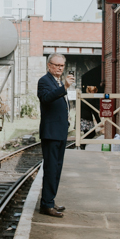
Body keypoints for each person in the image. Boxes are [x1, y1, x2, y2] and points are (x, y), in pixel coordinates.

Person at [37, 53, 73, 218]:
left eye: (62, 66)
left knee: (57, 168)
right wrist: (64, 88)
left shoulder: (57, 82)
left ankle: (50, 200)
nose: (59, 68)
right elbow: (46, 98)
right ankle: (46, 205)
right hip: (51, 133)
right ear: (49, 65)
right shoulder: (44, 81)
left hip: (60, 131)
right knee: (51, 168)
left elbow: (61, 103)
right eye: (56, 65)